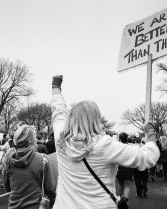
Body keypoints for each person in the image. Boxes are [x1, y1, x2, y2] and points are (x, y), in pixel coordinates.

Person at [50, 75, 160, 209]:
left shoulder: (61, 140)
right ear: (96, 119)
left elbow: (58, 111)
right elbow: (147, 158)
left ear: (71, 118)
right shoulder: (105, 145)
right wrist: (151, 134)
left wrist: (56, 88)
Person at [3, 125, 56, 209]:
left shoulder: (9, 159)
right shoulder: (43, 158)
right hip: (36, 206)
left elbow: (7, 188)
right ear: (32, 140)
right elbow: (50, 189)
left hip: (14, 206)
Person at [116, 132, 133, 207]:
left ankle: (120, 200)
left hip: (119, 167)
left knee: (120, 185)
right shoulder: (130, 147)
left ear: (119, 139)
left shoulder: (117, 147)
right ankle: (125, 202)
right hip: (128, 167)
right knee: (127, 185)